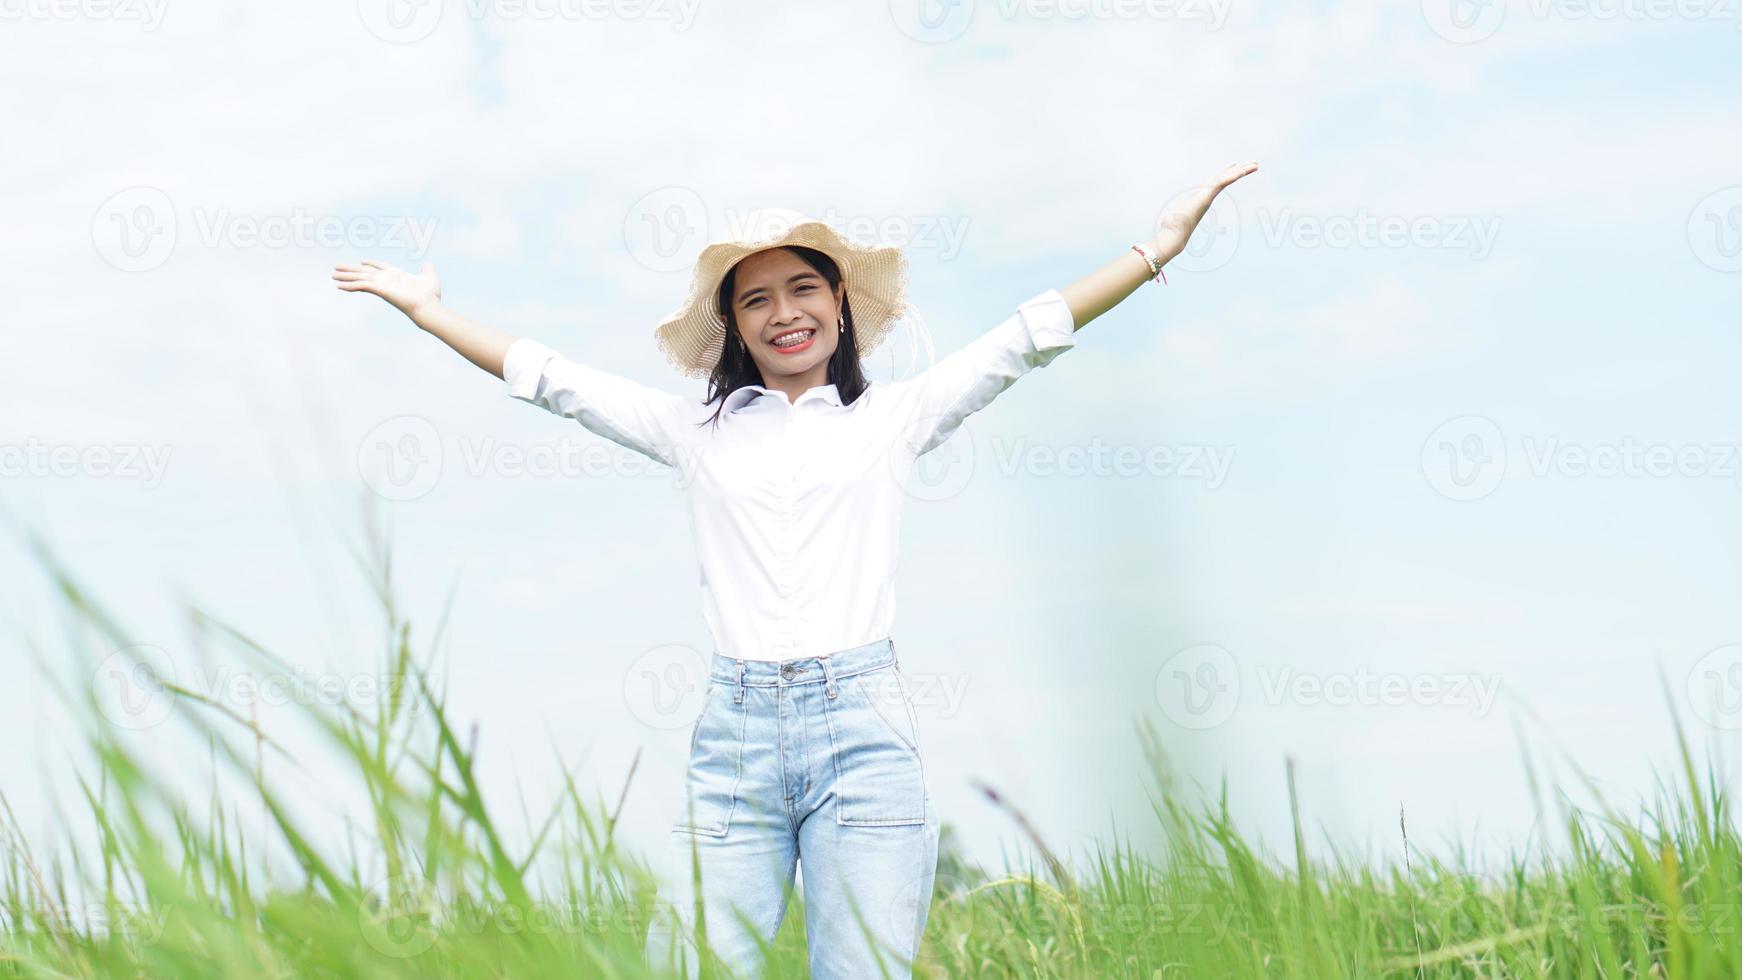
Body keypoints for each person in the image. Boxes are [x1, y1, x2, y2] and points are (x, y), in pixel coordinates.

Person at [331, 161, 1257, 979]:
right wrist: (428, 311)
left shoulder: (895, 417)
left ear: (840, 302)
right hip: (733, 739)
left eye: (802, 288)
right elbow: (553, 378)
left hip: (864, 732)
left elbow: (1026, 336)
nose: (784, 313)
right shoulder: (694, 433)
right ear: (734, 324)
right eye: (756, 298)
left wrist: (1156, 246)